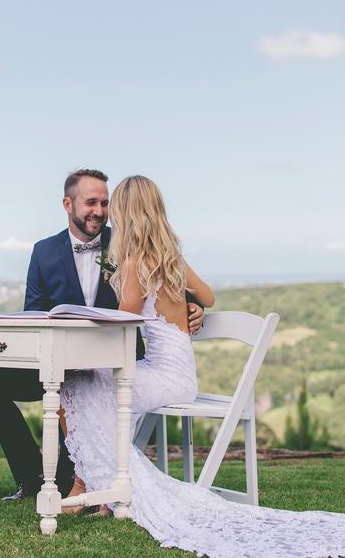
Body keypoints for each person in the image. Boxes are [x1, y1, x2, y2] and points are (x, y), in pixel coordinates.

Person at [61, 175, 345, 557]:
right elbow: (208, 295)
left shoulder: (132, 264)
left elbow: (122, 326)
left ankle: (100, 487)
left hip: (161, 377)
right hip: (180, 377)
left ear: (126, 214)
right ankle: (101, 487)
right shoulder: (170, 258)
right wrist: (189, 303)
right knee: (91, 389)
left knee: (75, 384)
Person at [0, 169, 204, 501]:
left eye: (105, 203)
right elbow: (33, 312)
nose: (100, 211)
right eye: (91, 202)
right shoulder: (43, 251)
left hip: (114, 365)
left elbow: (170, 286)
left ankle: (74, 477)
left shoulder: (126, 242)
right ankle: (30, 474)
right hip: (58, 361)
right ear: (68, 204)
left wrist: (196, 309)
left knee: (80, 386)